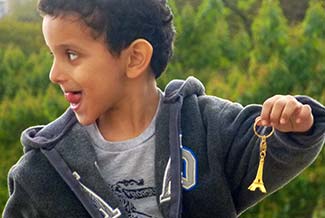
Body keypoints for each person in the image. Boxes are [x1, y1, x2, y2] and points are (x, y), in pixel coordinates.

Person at [3, 0, 325, 217]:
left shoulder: (206, 128)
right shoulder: (40, 174)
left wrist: (292, 128)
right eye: (52, 56)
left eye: (71, 54)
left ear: (134, 58)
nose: (54, 74)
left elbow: (270, 148)